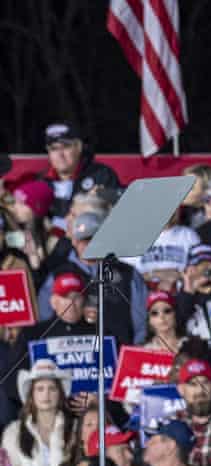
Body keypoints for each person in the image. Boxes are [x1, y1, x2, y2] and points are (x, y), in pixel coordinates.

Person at [39, 212, 148, 345]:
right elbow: (44, 316)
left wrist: (136, 348)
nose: (88, 245)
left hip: (119, 352)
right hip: (74, 352)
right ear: (74, 241)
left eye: (93, 238)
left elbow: (141, 319)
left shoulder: (127, 273)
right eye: (83, 240)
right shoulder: (58, 274)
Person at [6, 271, 95, 404]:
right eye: (65, 297)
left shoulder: (100, 333)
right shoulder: (33, 334)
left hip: (93, 410)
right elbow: (11, 380)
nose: (71, 303)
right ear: (53, 301)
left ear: (84, 301)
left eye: (76, 297)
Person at [2, 360, 73, 466]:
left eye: (52, 388)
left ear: (60, 394)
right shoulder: (13, 433)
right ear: (31, 395)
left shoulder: (75, 428)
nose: (46, 394)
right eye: (40, 389)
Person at [41, 123, 121, 230]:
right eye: (54, 149)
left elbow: (114, 214)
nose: (60, 154)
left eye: (66, 147)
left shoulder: (101, 175)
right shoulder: (41, 183)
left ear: (79, 147)